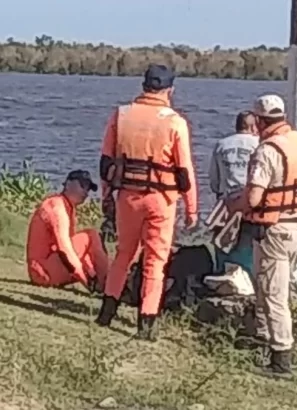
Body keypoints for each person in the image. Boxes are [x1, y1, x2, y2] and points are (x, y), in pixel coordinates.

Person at [95, 64, 199, 341]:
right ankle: (146, 322)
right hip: (161, 200)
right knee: (155, 260)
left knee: (123, 254)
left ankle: (107, 311)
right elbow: (184, 170)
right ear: (170, 90)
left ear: (143, 86)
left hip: (127, 196)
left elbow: (106, 162)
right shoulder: (176, 122)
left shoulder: (121, 114)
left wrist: (106, 194)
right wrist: (191, 207)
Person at [231, 93, 297, 379]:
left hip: (274, 231)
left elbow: (254, 198)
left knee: (273, 294)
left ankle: (281, 359)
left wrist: (233, 205)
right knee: (274, 289)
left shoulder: (268, 150)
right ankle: (264, 340)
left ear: (260, 120)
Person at [26, 170, 109, 292]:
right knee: (90, 235)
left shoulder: (67, 207)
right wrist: (85, 280)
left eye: (88, 189)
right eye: (83, 185)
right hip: (43, 271)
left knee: (90, 241)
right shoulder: (57, 207)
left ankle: (110, 283)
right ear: (68, 183)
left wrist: (91, 273)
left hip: (45, 269)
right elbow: (65, 249)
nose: (86, 192)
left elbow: (73, 250)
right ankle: (108, 285)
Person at [208, 110, 259, 277]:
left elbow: (214, 179)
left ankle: (222, 274)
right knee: (248, 246)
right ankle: (248, 280)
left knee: (223, 243)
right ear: (253, 126)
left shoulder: (222, 145)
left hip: (225, 204)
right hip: (250, 203)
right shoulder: (259, 145)